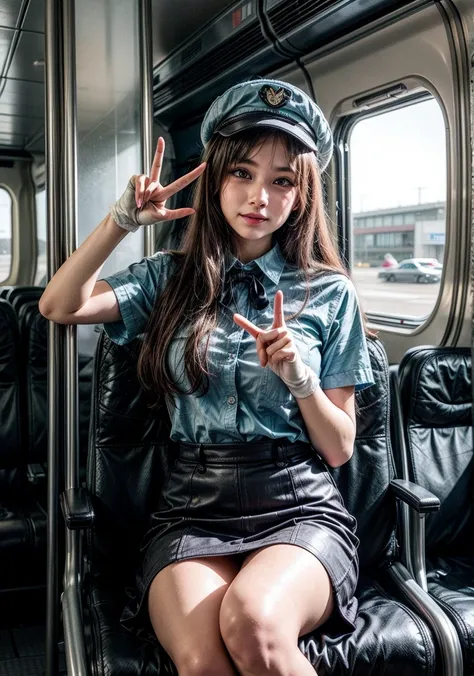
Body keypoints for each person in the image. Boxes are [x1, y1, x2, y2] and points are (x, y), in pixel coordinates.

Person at [39, 79, 374, 676]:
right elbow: (60, 305)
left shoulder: (330, 292)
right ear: (216, 175)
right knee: (199, 660)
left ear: (302, 196)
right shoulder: (168, 278)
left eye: (281, 181)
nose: (259, 197)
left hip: (298, 504)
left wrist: (300, 379)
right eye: (242, 173)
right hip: (193, 505)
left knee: (256, 625)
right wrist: (123, 220)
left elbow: (340, 447)